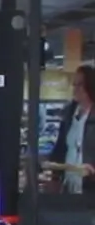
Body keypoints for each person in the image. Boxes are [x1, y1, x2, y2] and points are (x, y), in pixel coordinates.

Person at [46, 64, 95, 194]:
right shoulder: (69, 114)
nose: (75, 89)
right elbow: (60, 148)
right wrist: (55, 176)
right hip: (68, 184)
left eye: (80, 85)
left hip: (90, 188)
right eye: (74, 84)